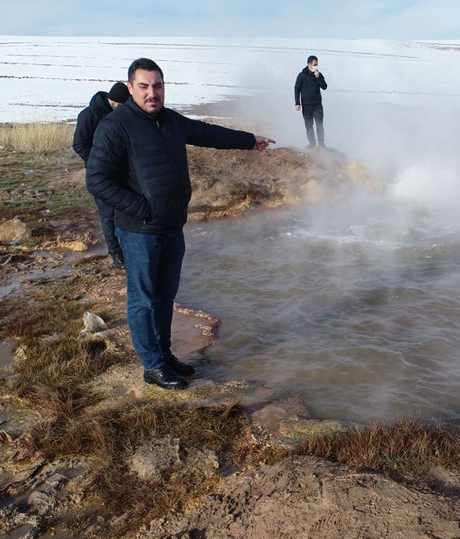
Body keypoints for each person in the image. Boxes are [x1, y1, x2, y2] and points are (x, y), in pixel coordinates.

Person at [86, 58, 275, 390]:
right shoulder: (115, 126)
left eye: (157, 85)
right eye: (144, 86)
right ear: (130, 88)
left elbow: (207, 133)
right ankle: (152, 366)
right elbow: (97, 180)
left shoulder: (170, 120)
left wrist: (249, 140)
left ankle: (165, 356)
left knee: (165, 297)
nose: (152, 93)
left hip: (172, 228)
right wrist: (142, 208)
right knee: (143, 300)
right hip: (139, 230)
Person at [73, 81, 131, 269]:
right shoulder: (88, 115)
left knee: (125, 211)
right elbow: (79, 144)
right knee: (108, 215)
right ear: (113, 101)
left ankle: (128, 248)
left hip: (121, 172)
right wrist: (97, 162)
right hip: (100, 174)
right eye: (122, 105)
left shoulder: (120, 114)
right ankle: (116, 253)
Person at [294, 55, 328, 148]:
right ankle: (312, 144)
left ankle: (321, 145)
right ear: (309, 64)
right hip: (306, 106)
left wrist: (318, 77)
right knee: (309, 126)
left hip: (317, 105)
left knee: (319, 125)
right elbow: (297, 89)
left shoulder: (318, 75)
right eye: (314, 64)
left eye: (317, 65)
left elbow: (324, 87)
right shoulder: (301, 75)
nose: (316, 66)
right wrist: (297, 103)